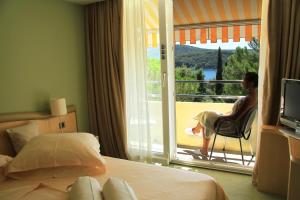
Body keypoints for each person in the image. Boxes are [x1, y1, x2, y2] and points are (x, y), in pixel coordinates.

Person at [191, 72, 258, 156]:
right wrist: (225, 115)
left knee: (206, 117)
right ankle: (197, 129)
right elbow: (238, 114)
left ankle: (201, 143)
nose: (242, 81)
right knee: (206, 114)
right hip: (236, 125)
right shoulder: (254, 97)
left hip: (232, 127)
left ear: (251, 83)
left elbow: (235, 117)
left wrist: (222, 117)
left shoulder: (249, 99)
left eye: (244, 79)